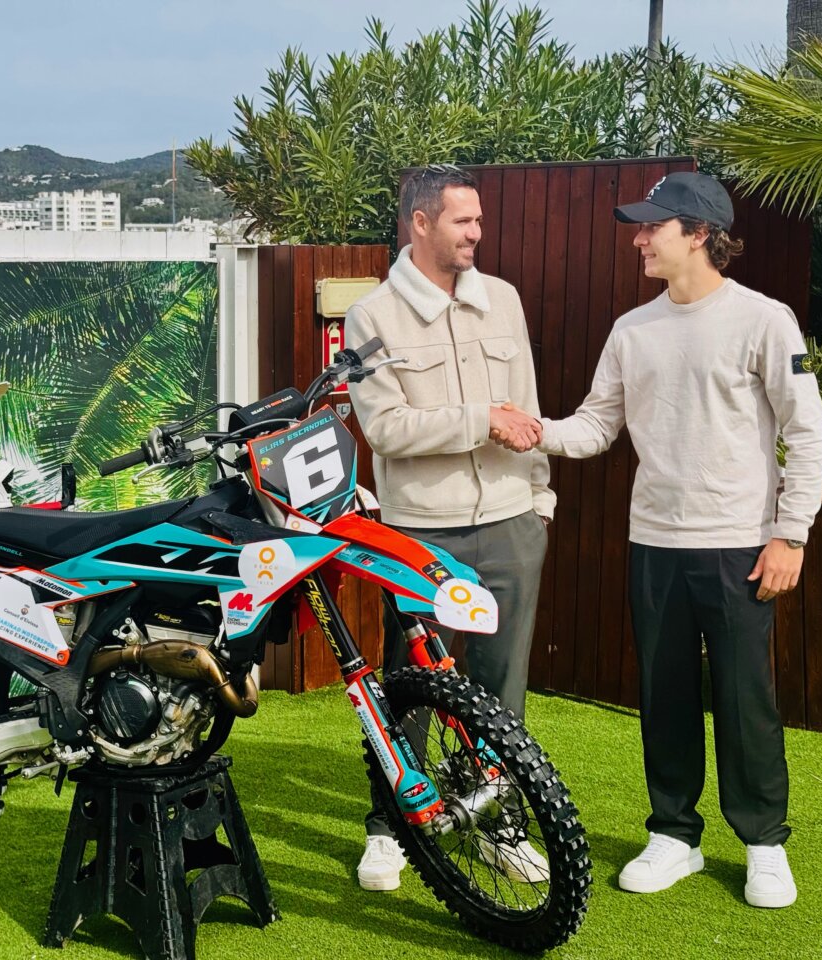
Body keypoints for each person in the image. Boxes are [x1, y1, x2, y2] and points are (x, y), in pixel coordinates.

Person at [495, 172, 822, 909]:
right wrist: (533, 429)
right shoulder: (632, 331)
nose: (639, 238)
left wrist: (790, 537)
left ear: (700, 234)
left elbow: (807, 434)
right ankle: (674, 834)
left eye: (654, 227)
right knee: (664, 693)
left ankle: (764, 843)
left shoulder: (763, 320)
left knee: (745, 698)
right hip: (655, 543)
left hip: (741, 543)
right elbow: (597, 425)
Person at [345, 164, 553, 891]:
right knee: (404, 690)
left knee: (501, 692)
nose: (477, 233)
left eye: (478, 220)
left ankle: (498, 826)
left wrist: (540, 508)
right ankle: (391, 829)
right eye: (463, 221)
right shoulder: (372, 317)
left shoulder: (504, 300)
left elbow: (525, 409)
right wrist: (479, 421)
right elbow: (386, 428)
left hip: (510, 525)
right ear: (420, 222)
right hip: (419, 537)